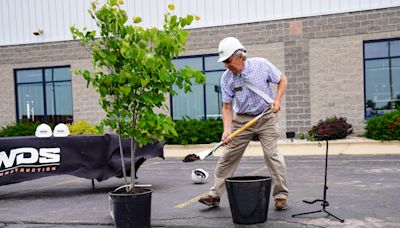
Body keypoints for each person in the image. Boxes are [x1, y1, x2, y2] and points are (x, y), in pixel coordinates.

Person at [198, 37, 289, 210]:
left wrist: (277, 100)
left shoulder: (261, 65)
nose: (226, 65)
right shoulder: (227, 78)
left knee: (272, 155)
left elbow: (282, 79)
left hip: (266, 116)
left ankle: (281, 195)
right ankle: (214, 195)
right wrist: (226, 131)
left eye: (228, 61)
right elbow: (226, 107)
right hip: (242, 119)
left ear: (240, 56)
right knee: (228, 156)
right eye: (224, 62)